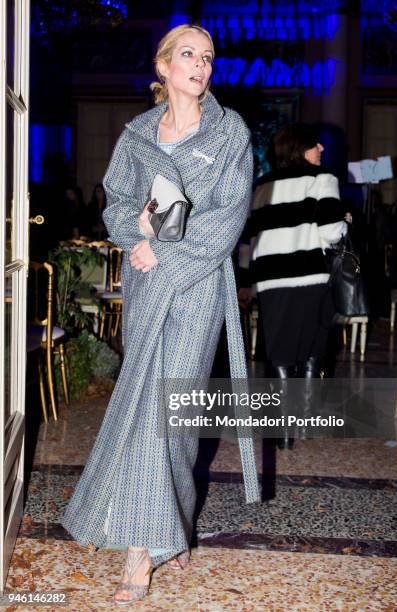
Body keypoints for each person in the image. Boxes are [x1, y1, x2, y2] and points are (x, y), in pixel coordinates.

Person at [62, 24, 260, 605]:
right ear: (164, 65)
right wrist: (139, 230)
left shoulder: (229, 134)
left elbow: (228, 217)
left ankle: (142, 549)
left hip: (197, 286)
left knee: (170, 408)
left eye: (208, 57)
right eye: (189, 55)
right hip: (146, 284)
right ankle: (162, 530)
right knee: (145, 402)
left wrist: (164, 252)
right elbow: (117, 204)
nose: (200, 65)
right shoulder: (136, 135)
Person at [239, 123, 347, 380]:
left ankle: (284, 419)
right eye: (314, 144)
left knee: (280, 354)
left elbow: (248, 240)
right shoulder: (323, 178)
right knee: (312, 353)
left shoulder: (261, 186)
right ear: (300, 149)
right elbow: (332, 232)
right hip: (311, 278)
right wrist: (345, 221)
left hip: (270, 282)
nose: (321, 148)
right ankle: (306, 418)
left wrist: (245, 282)